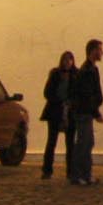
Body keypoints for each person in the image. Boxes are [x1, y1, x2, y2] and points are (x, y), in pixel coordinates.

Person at [65, 38, 103, 184]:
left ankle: (86, 174)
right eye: (100, 50)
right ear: (93, 51)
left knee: (87, 143)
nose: (102, 53)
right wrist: (96, 112)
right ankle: (77, 175)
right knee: (83, 143)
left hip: (86, 112)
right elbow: (87, 95)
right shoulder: (87, 71)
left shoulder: (91, 69)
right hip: (83, 112)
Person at [39, 49, 76, 180]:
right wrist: (59, 100)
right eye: (65, 60)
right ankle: (47, 169)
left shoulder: (75, 75)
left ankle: (70, 171)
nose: (67, 62)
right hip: (55, 111)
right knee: (51, 142)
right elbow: (47, 92)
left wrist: (70, 102)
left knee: (70, 143)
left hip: (69, 111)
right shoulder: (55, 74)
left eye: (70, 60)